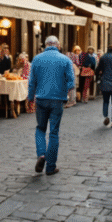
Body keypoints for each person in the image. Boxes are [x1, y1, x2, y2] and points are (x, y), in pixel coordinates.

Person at [28, 36, 75, 176]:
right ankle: (50, 167)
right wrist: (64, 92)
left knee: (40, 129)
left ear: (45, 45)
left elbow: (32, 82)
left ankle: (41, 154)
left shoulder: (36, 59)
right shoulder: (65, 60)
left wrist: (30, 97)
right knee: (54, 132)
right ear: (58, 46)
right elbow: (71, 82)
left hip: (41, 99)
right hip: (57, 100)